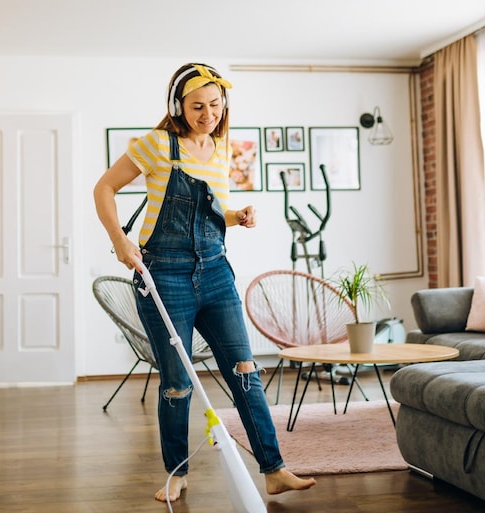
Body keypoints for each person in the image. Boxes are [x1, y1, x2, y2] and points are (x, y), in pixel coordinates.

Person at [93, 63, 317, 503]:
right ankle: (176, 474)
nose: (208, 113)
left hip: (215, 271)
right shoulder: (157, 144)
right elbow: (104, 188)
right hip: (165, 274)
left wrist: (239, 215)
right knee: (177, 382)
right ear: (179, 106)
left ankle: (273, 469)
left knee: (245, 370)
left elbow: (212, 212)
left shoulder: (220, 149)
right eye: (198, 106)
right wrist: (120, 241)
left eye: (215, 105)